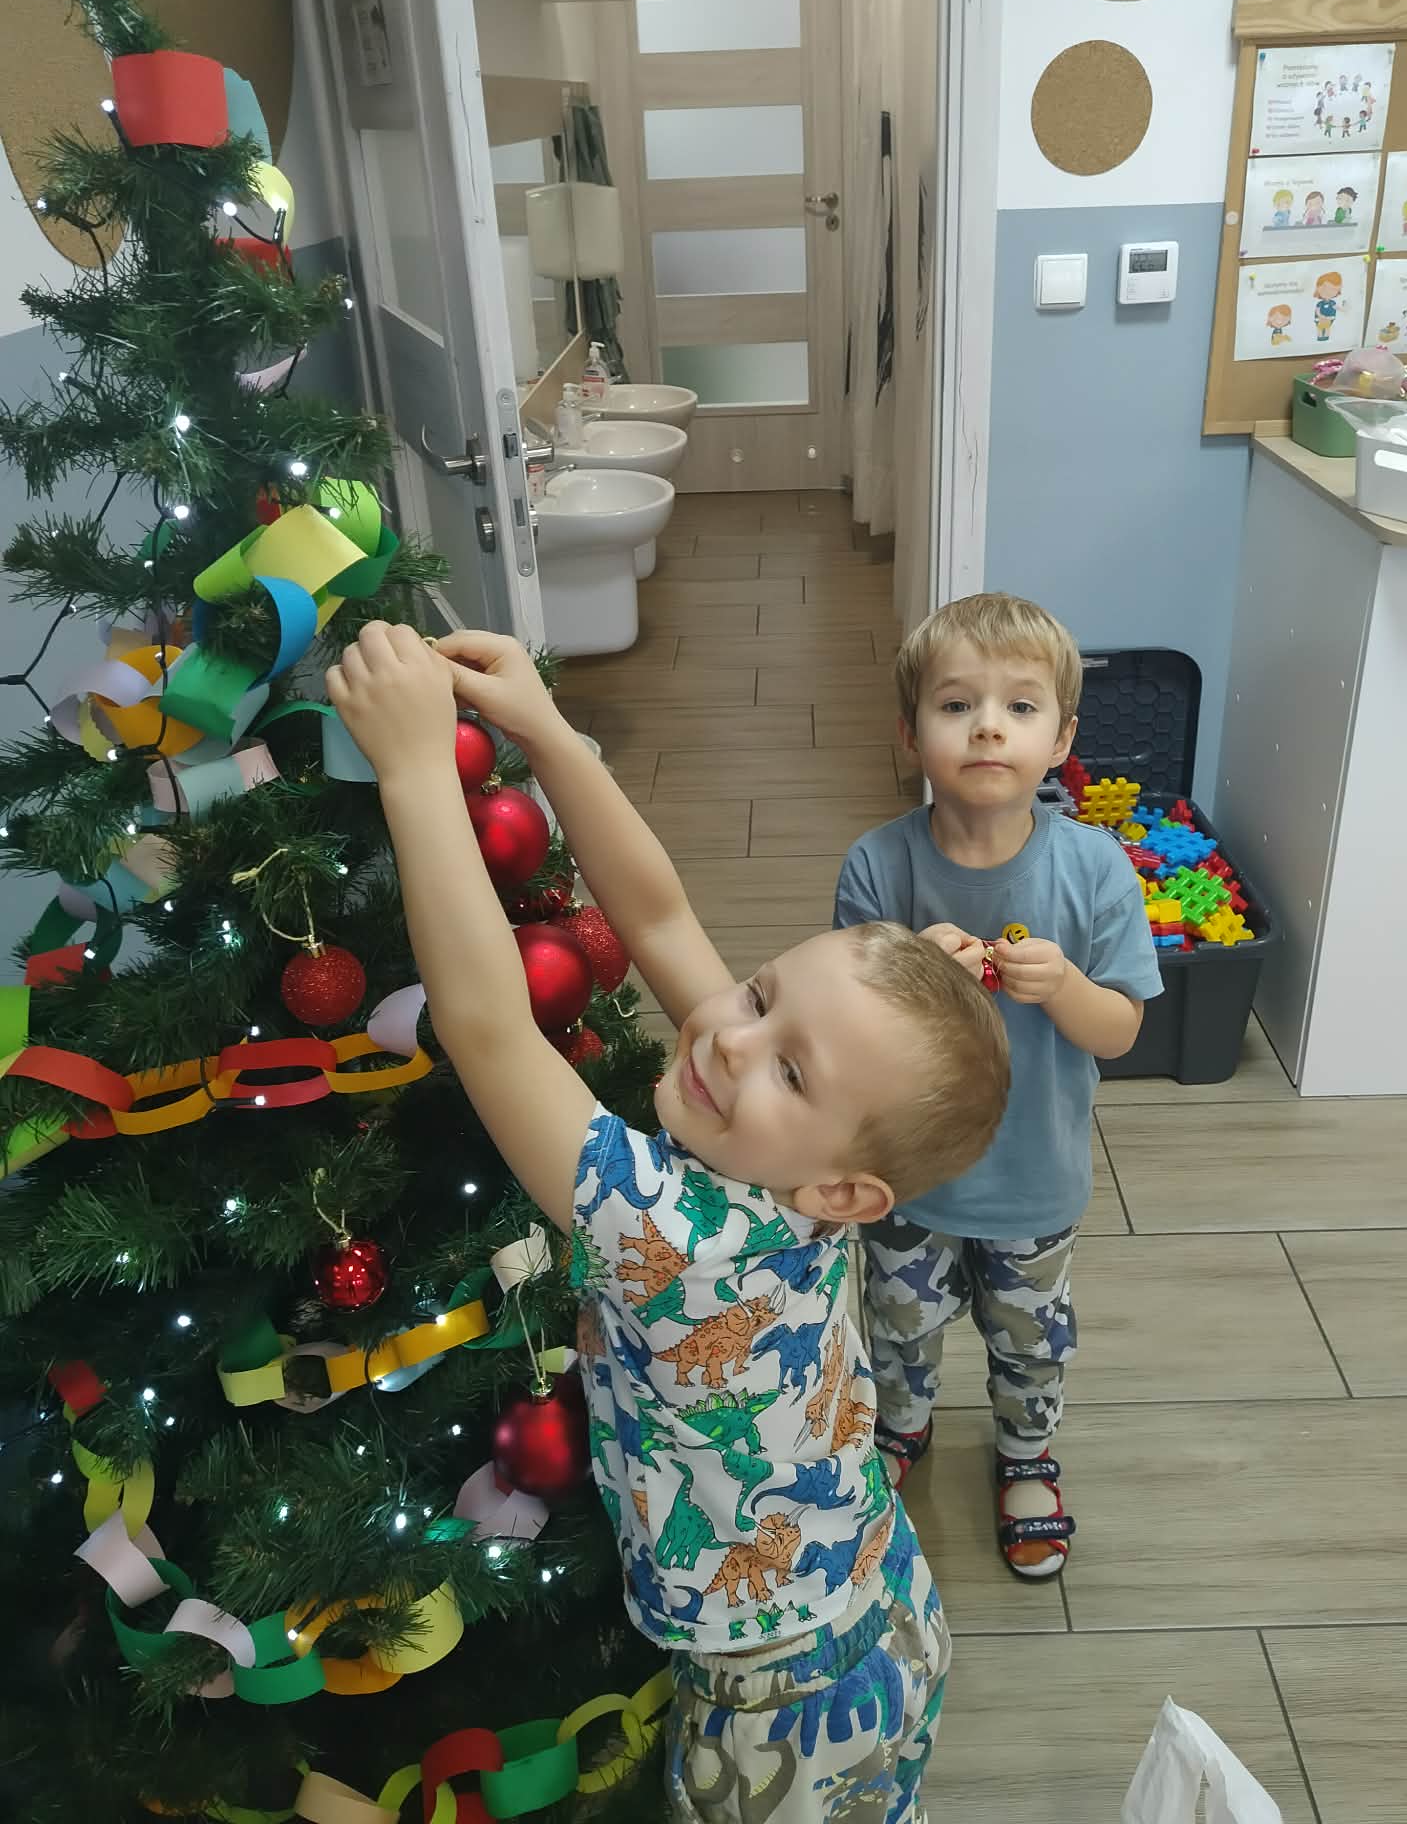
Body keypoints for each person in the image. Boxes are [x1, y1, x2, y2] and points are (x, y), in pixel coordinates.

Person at [328, 621, 1011, 1823]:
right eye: (759, 992)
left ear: (847, 1193)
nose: (731, 1038)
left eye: (788, 1066)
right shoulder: (804, 1160)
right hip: (880, 1595)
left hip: (776, 1706)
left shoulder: (677, 1235)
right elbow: (657, 916)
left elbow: (489, 1028)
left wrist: (417, 770)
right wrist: (545, 730)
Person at [833, 595, 1161, 1582]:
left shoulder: (1095, 868)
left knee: (1031, 1338)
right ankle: (902, 1426)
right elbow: (843, 1035)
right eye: (956, 704)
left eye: (1019, 706)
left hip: (1033, 1176)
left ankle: (1026, 1451)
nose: (986, 726)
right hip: (908, 1176)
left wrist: (1064, 987)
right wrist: (910, 975)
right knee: (899, 1324)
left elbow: (1122, 1027)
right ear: (911, 733)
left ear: (1060, 739)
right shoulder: (878, 864)